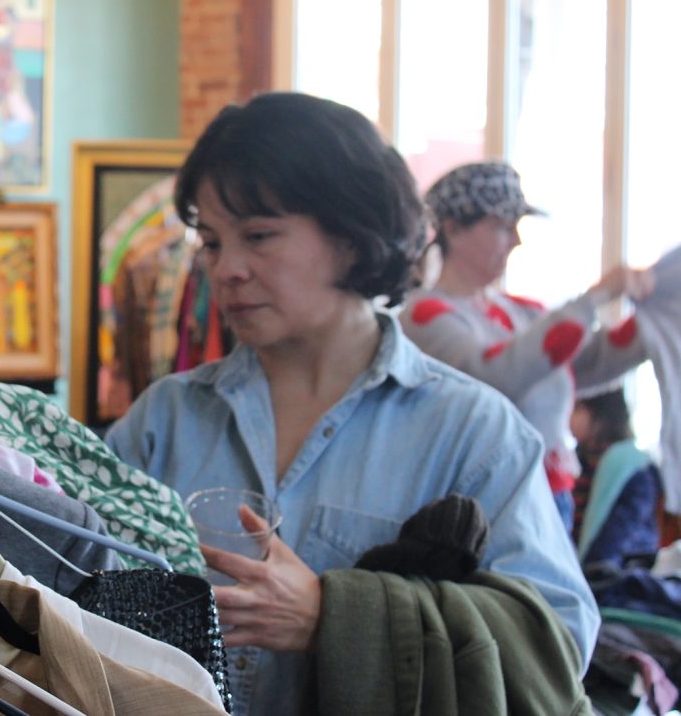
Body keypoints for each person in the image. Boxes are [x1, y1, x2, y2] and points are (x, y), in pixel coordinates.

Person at [104, 93, 598, 715]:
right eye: (209, 240)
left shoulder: (472, 434)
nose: (225, 269)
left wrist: (335, 619)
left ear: (352, 238)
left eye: (258, 236)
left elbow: (560, 646)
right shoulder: (166, 418)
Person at [399, 161, 653, 530]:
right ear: (453, 229)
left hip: (548, 495)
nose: (516, 240)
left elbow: (586, 364)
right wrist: (591, 301)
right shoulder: (425, 314)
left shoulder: (521, 312)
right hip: (491, 504)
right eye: (502, 227)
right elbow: (495, 375)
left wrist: (654, 327)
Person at [571, 386, 662, 566]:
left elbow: (622, 528)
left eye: (577, 409)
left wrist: (591, 570)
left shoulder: (635, 466)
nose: (568, 417)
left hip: (622, 569)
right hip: (578, 567)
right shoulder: (577, 461)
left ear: (600, 415)